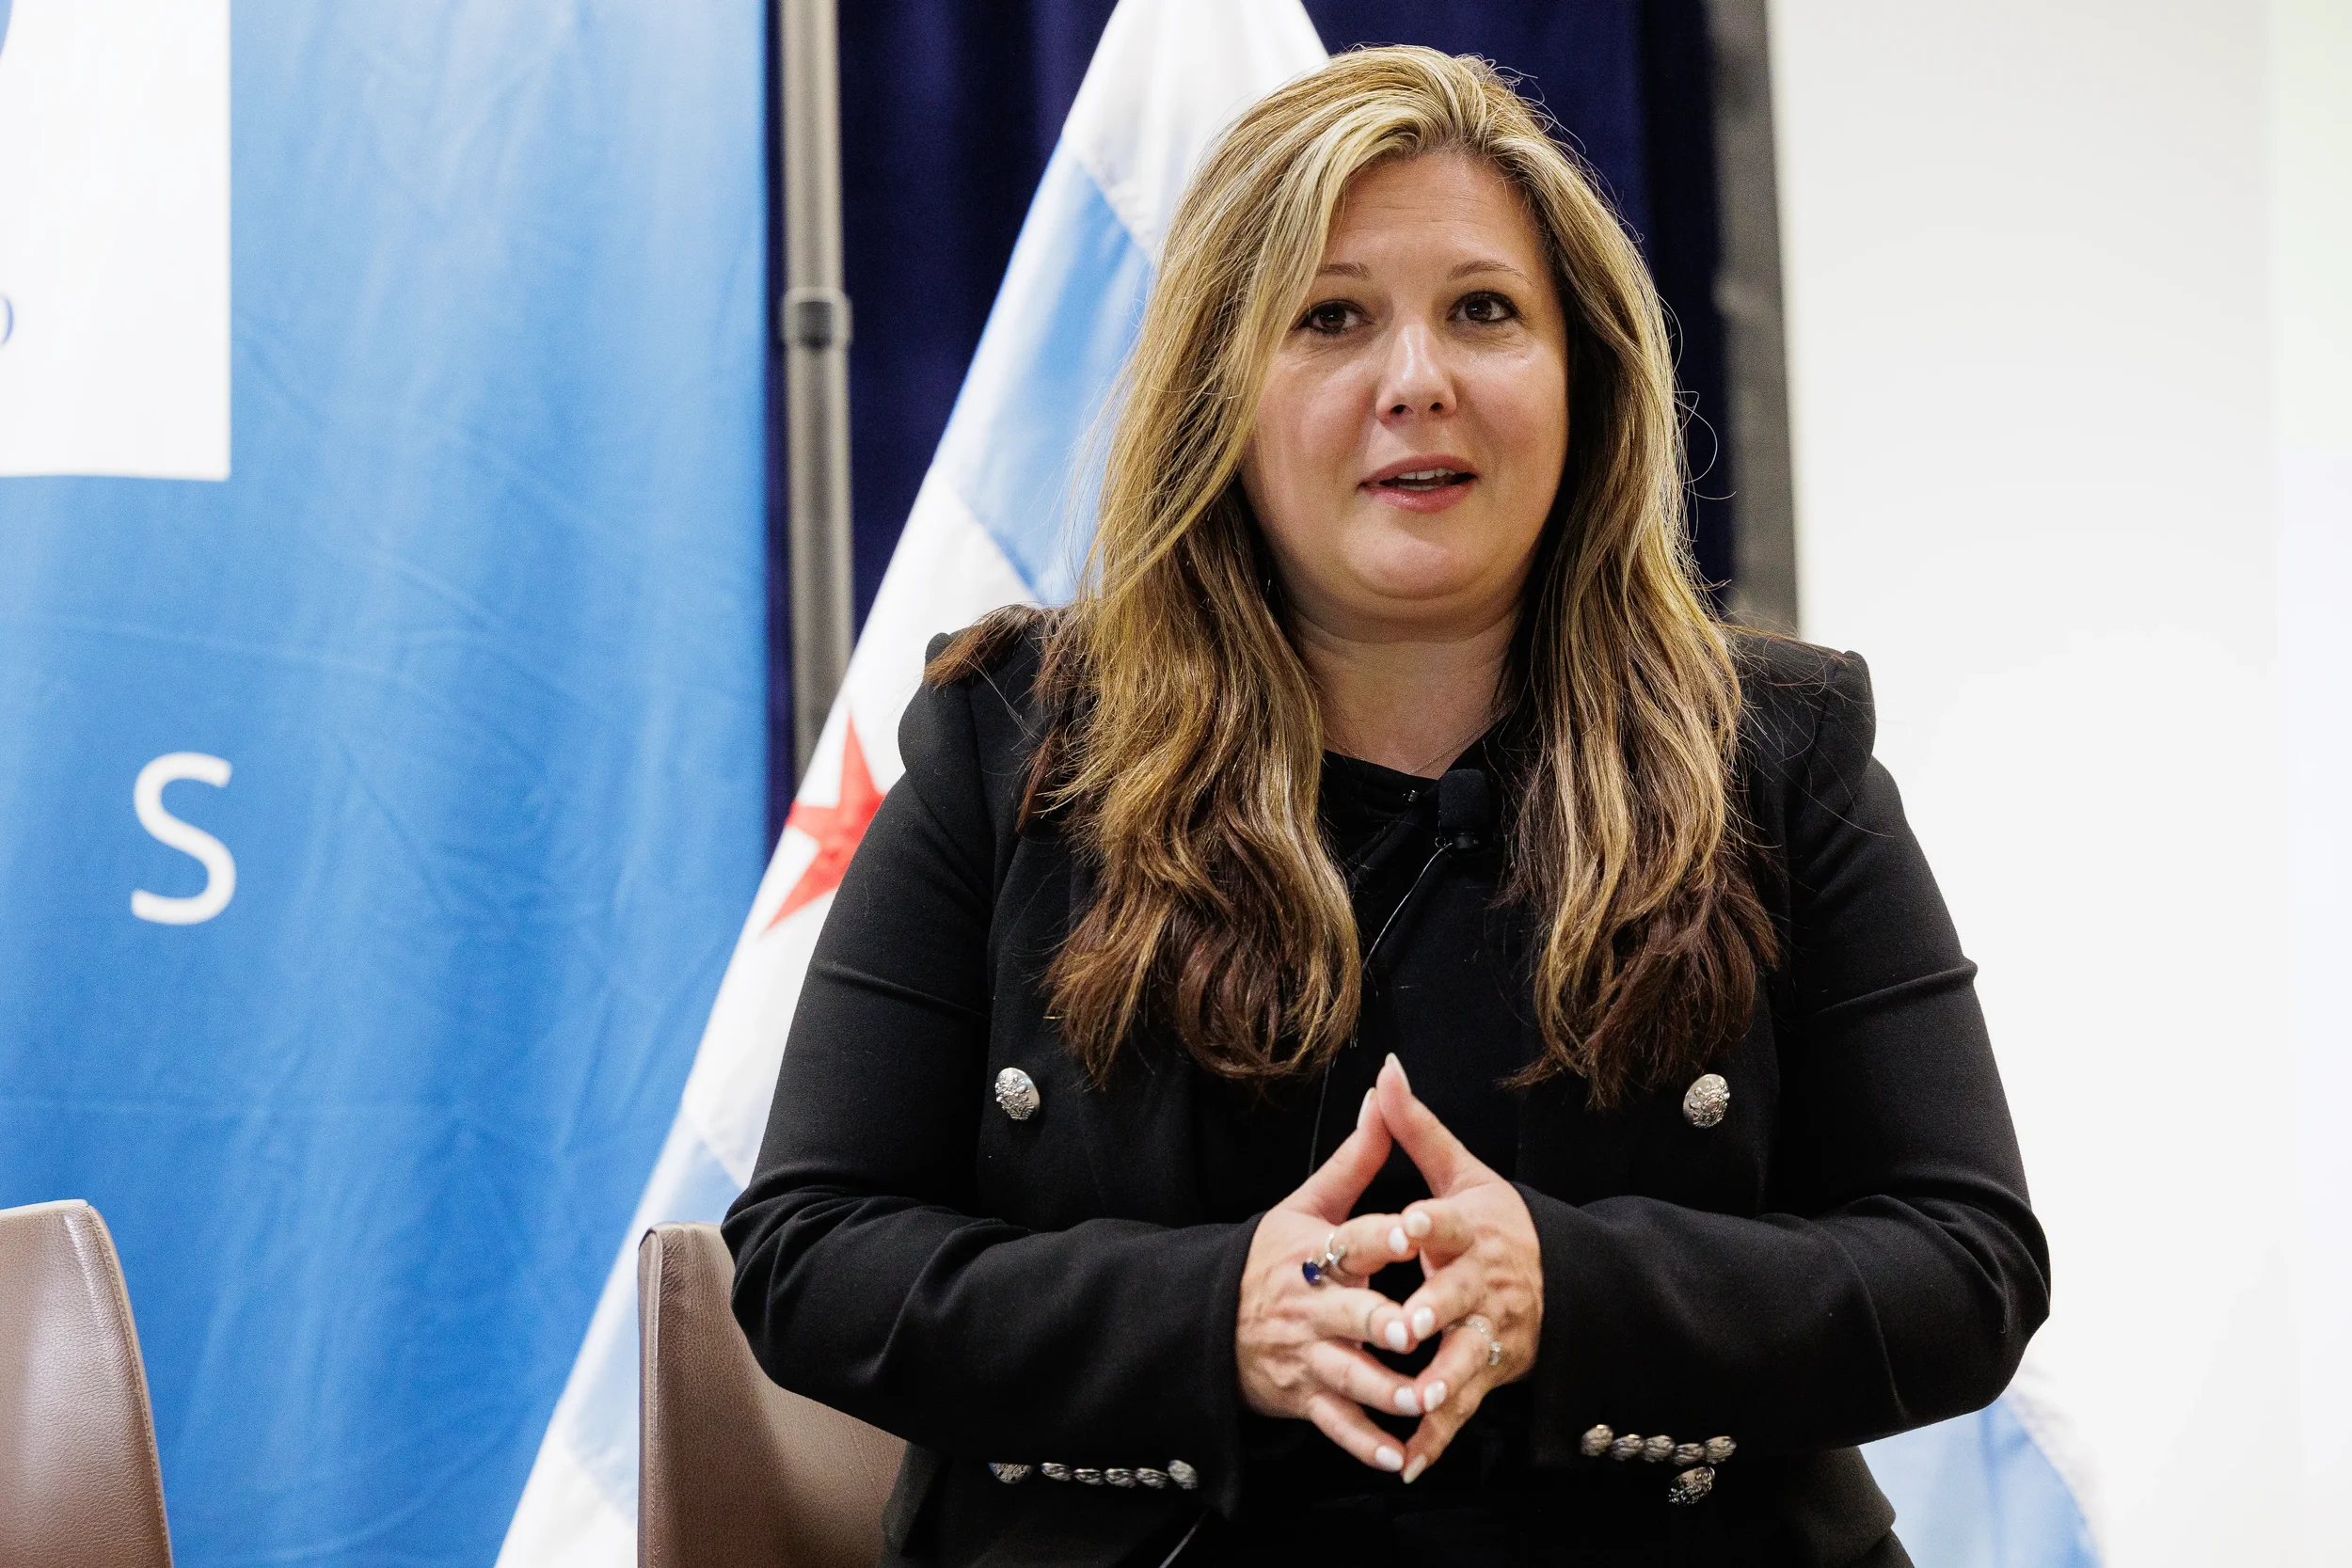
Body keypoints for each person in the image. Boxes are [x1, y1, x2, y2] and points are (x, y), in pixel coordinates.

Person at [724, 45, 2047, 1568]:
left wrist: (1576, 1289)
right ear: (1223, 388)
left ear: (1583, 373)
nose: (1417, 377)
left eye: (1485, 311)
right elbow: (808, 1252)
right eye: (1332, 316)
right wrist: (1209, 1319)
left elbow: (1968, 1263)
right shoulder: (1011, 748)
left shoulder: (1778, 754)